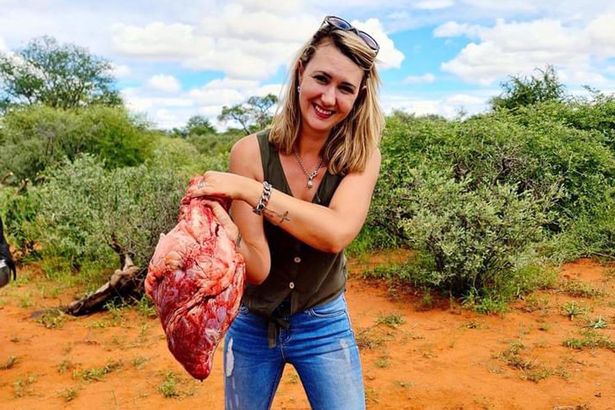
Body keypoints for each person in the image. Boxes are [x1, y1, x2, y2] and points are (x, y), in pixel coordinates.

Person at [190, 15, 384, 410]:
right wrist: (224, 235)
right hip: (253, 324)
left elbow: (335, 233)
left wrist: (250, 191)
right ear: (300, 73)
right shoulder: (249, 153)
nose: (329, 98)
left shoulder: (362, 157)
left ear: (359, 97)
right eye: (322, 79)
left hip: (324, 322)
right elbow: (258, 268)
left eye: (346, 88)